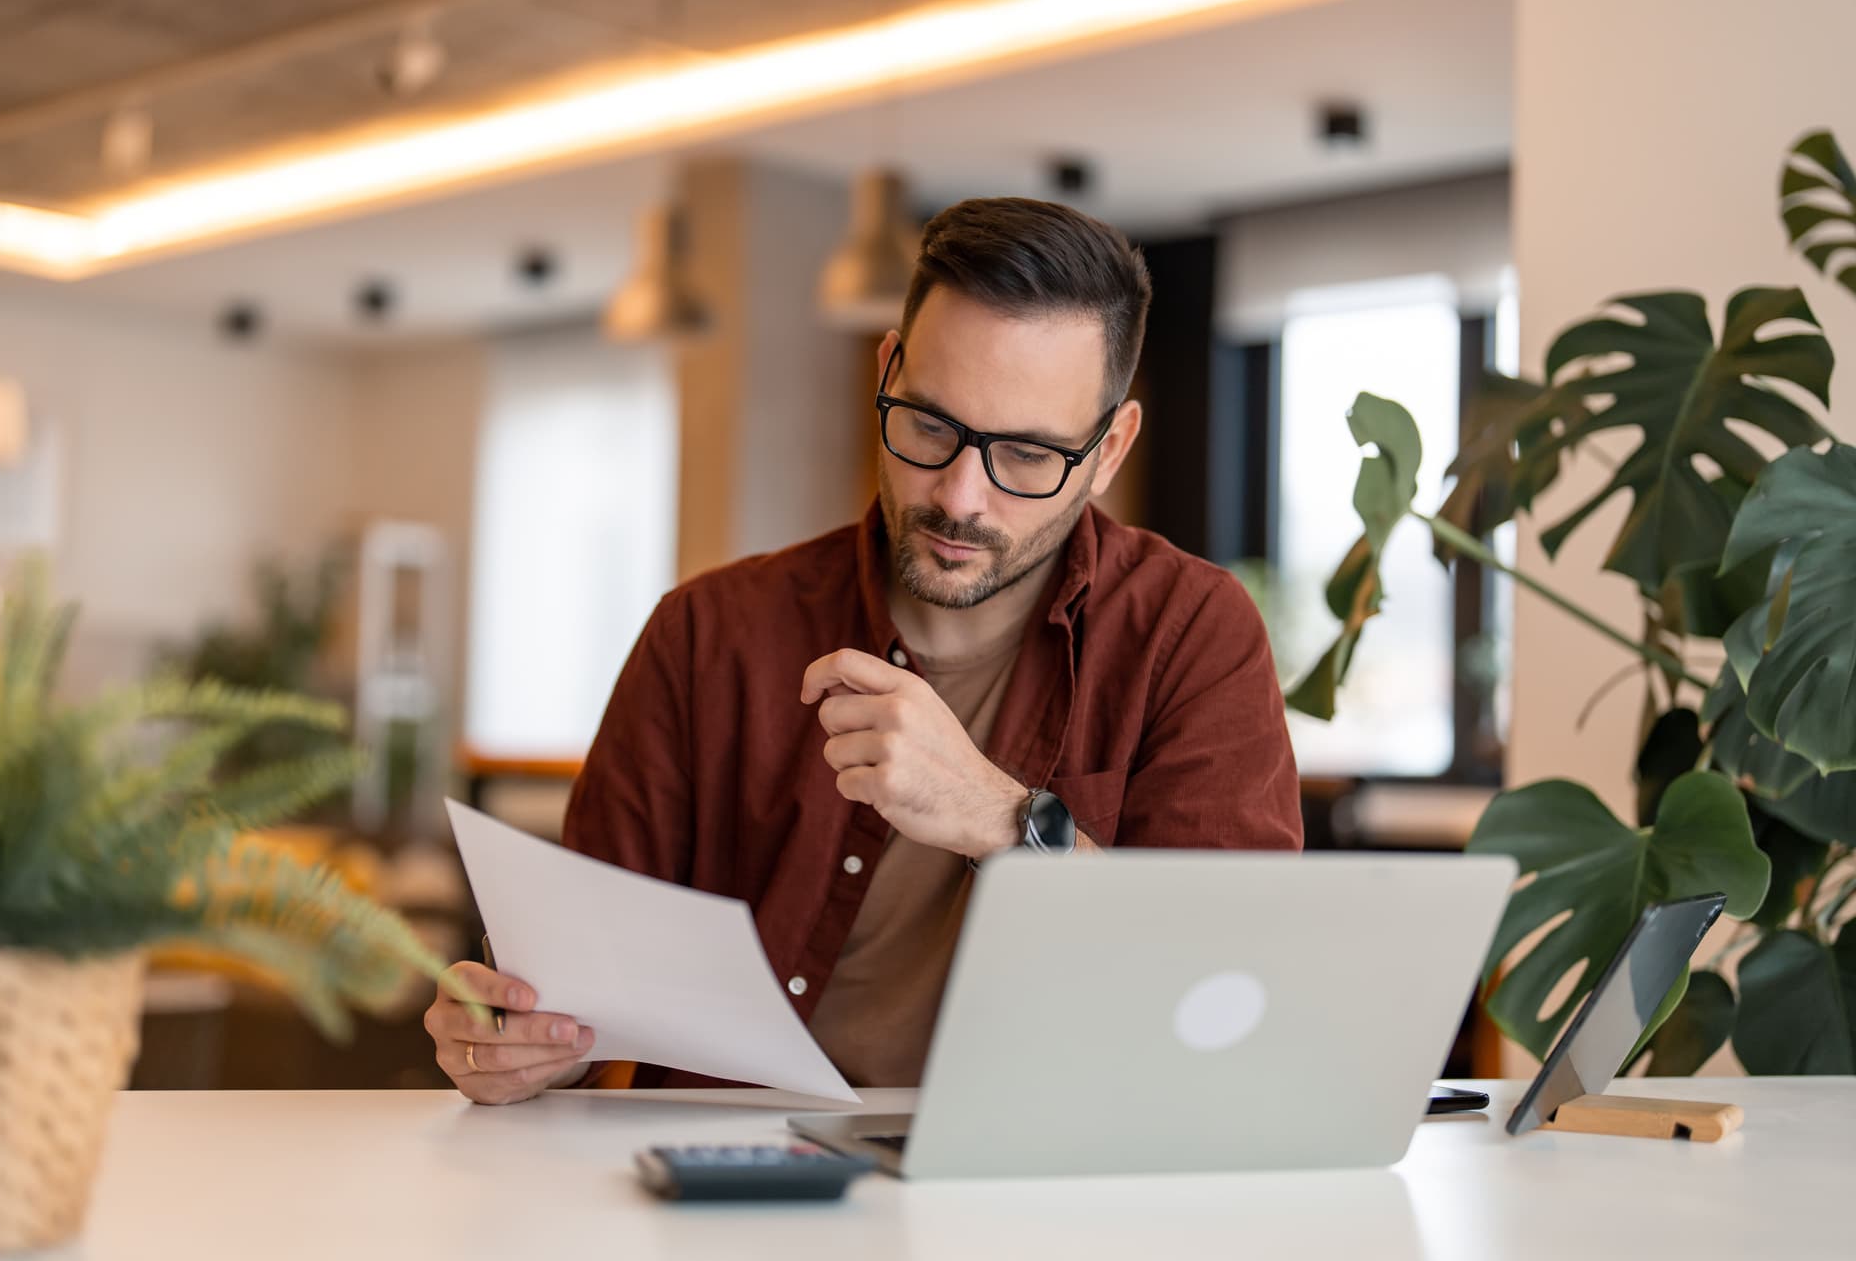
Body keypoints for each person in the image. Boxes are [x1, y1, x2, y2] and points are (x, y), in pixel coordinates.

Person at [430, 197, 1302, 1103]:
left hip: (1041, 1184)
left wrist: (1004, 822)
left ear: (1110, 448)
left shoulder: (1191, 633)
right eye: (929, 426)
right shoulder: (707, 635)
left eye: (1028, 455)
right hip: (731, 1190)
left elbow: (1228, 991)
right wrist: (524, 1044)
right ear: (887, 369)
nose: (962, 497)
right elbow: (578, 988)